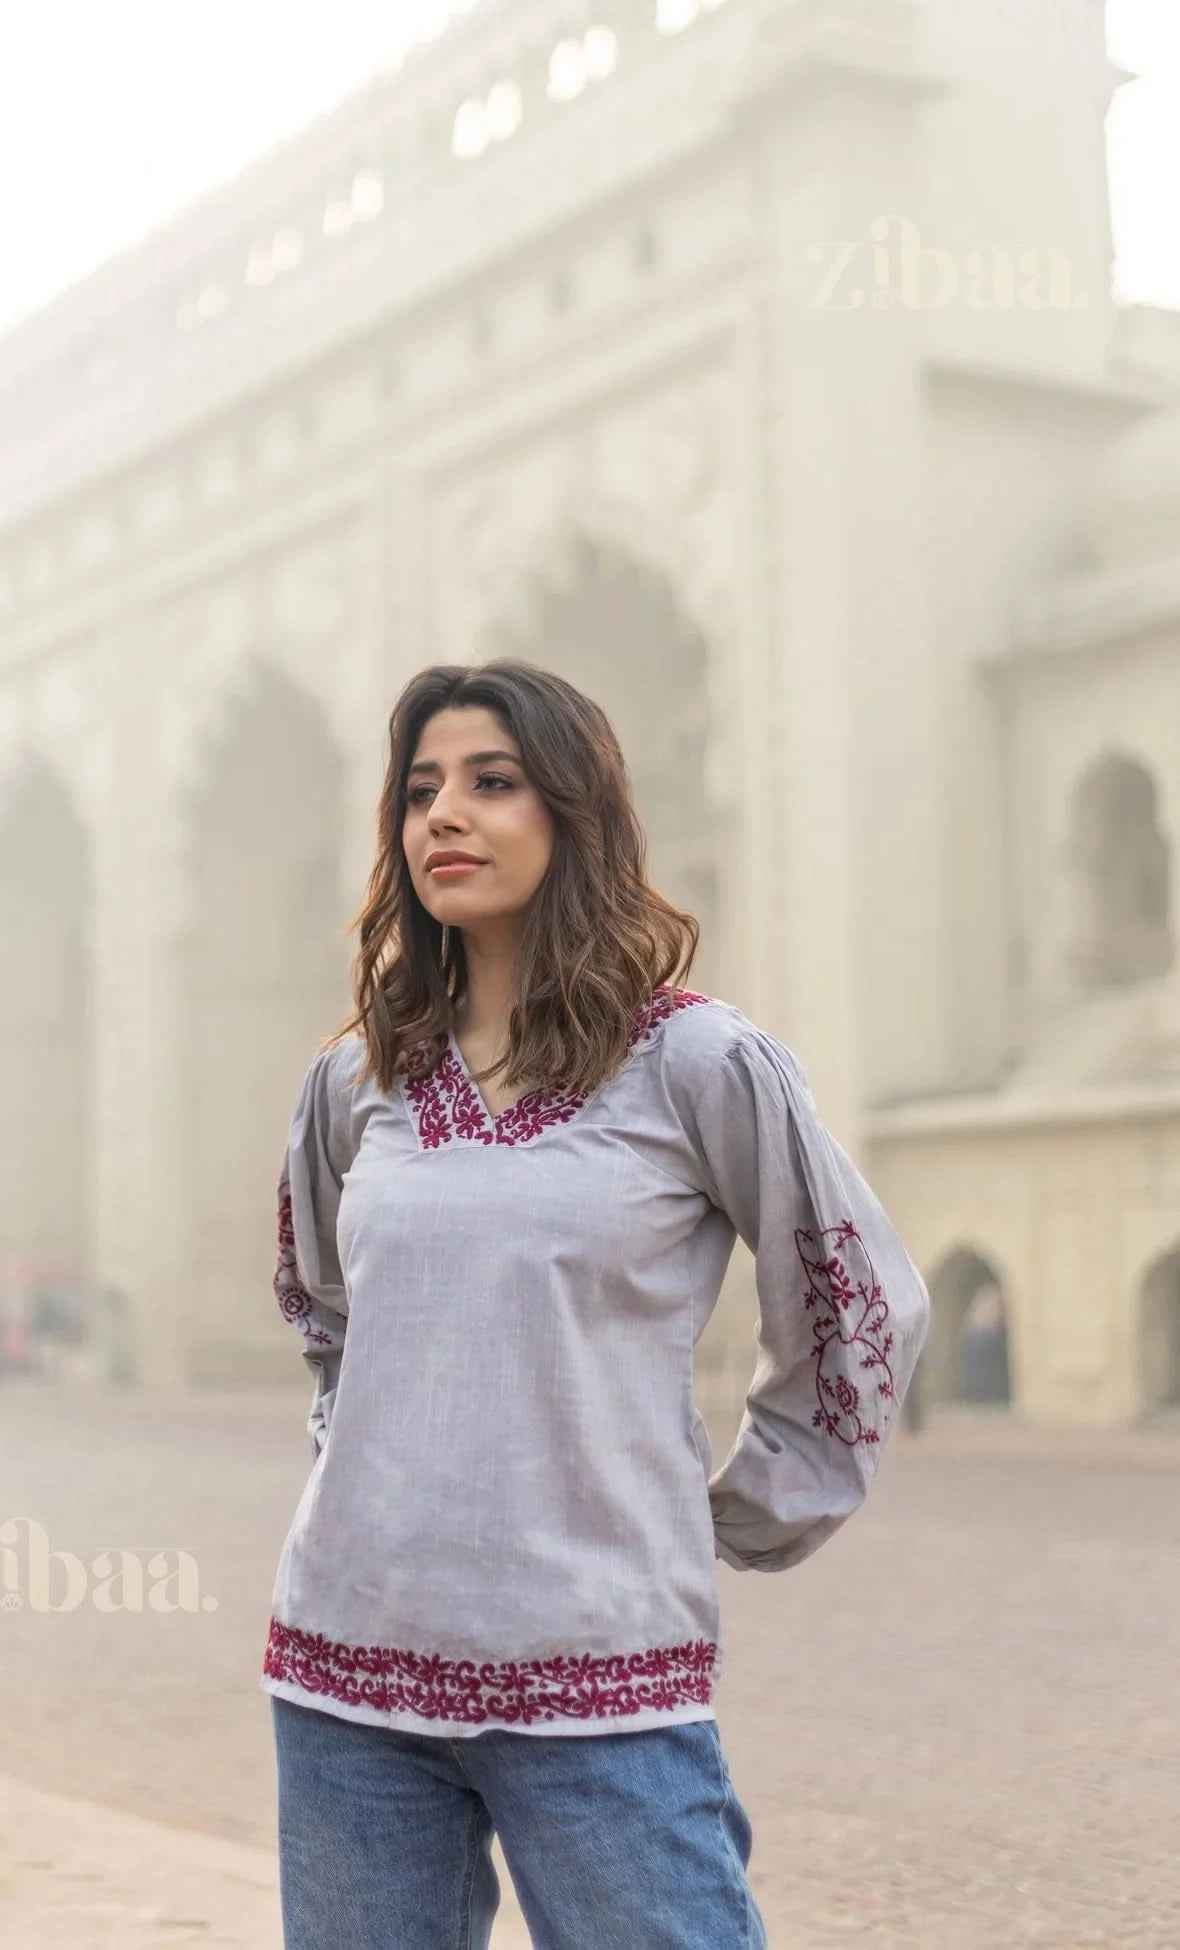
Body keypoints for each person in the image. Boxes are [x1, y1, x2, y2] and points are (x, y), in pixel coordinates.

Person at [263, 660, 931, 1950]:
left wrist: (749, 1505)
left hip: (601, 1681)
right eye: (420, 792)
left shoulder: (695, 1061)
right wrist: (377, 1471)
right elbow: (323, 1308)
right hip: (348, 1677)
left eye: (492, 783)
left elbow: (855, 1294)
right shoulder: (359, 1081)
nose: (443, 816)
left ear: (577, 815)